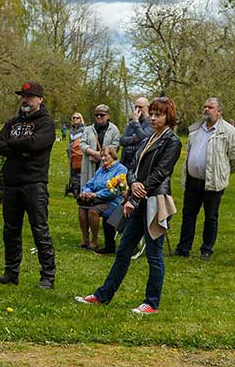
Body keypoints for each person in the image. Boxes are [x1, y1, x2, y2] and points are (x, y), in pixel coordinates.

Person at [76, 97, 181, 314]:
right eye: (151, 113)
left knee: (154, 253)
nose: (152, 117)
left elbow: (162, 172)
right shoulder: (149, 138)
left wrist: (139, 190)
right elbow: (131, 167)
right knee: (123, 250)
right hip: (138, 199)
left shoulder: (172, 141)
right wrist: (133, 186)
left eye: (158, 114)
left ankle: (151, 303)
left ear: (168, 116)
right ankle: (103, 295)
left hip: (155, 201)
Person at [0, 82, 56, 289]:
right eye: (23, 96)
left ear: (40, 99)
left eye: (30, 96)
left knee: (39, 230)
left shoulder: (46, 123)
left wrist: (16, 145)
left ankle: (47, 276)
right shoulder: (13, 122)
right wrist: (23, 147)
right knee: (10, 230)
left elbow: (36, 144)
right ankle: (11, 272)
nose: (25, 100)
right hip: (12, 183)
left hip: (34, 183)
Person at [173, 97, 235, 259]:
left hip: (213, 182)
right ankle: (183, 248)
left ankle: (206, 249)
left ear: (219, 111)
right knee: (188, 215)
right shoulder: (195, 129)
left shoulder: (229, 132)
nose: (206, 109)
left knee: (210, 217)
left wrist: (223, 172)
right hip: (193, 180)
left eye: (210, 107)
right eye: (205, 106)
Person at [77, 146, 127, 251]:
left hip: (113, 201)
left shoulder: (120, 169)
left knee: (93, 211)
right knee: (81, 208)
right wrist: (86, 192)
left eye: (105, 156)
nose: (103, 158)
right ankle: (85, 239)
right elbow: (90, 184)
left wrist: (96, 194)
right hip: (98, 199)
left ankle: (94, 240)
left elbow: (115, 191)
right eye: (101, 156)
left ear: (113, 156)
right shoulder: (101, 169)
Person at [80, 104, 120, 191]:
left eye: (102, 115)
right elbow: (82, 144)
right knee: (88, 186)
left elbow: (115, 146)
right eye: (97, 115)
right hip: (90, 163)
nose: (99, 117)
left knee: (104, 188)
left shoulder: (114, 130)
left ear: (107, 116)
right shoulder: (88, 129)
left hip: (107, 164)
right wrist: (94, 153)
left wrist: (102, 155)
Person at [119, 97, 153, 171]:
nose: (137, 110)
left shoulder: (151, 122)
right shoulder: (131, 122)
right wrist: (135, 138)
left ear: (147, 108)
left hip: (139, 163)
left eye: (140, 107)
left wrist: (136, 122)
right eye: (136, 107)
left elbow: (143, 138)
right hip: (125, 161)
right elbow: (122, 140)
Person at [67, 112, 85, 196]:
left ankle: (78, 187)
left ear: (81, 119)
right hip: (71, 152)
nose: (75, 119)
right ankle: (72, 186)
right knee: (72, 170)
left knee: (79, 170)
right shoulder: (71, 130)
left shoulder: (84, 129)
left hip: (79, 152)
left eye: (77, 118)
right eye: (73, 118)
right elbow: (70, 141)